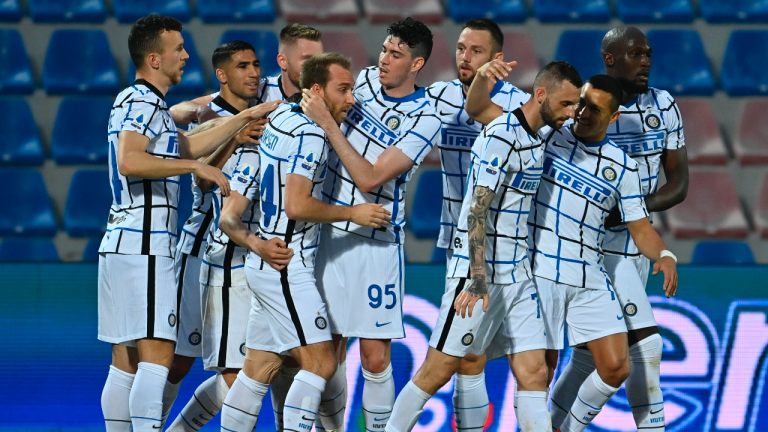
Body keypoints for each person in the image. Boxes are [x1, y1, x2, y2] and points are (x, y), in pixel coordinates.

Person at [98, 15, 279, 432]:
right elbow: (130, 159)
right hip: (145, 244)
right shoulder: (142, 101)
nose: (185, 55)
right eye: (177, 48)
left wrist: (239, 122)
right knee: (157, 359)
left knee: (125, 360)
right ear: (153, 58)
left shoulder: (145, 104)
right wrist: (199, 168)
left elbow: (187, 144)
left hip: (124, 242)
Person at [383, 61, 582, 432]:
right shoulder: (499, 137)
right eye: (567, 104)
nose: (572, 114)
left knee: (535, 372)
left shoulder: (537, 138)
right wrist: (477, 277)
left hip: (519, 275)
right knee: (437, 371)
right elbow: (476, 211)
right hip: (479, 274)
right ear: (541, 95)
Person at [216, 52, 391, 432]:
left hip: (265, 259)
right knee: (322, 363)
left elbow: (231, 212)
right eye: (342, 89)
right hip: (287, 265)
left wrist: (254, 241)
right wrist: (353, 213)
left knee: (259, 367)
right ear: (315, 90)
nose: (351, 98)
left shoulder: (277, 117)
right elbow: (296, 204)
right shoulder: (312, 133)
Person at [299, 17, 442, 431]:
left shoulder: (426, 118)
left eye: (396, 55)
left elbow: (371, 177)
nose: (383, 60)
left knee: (375, 357)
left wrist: (328, 123)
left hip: (376, 241)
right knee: (328, 351)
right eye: (383, 49)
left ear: (416, 65)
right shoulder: (358, 83)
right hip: (327, 233)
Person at [548, 26, 688, 432]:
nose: (645, 61)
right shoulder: (586, 104)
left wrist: (632, 212)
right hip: (594, 248)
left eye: (648, 54)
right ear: (610, 58)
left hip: (636, 243)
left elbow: (678, 185)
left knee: (590, 359)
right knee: (646, 347)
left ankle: (545, 425)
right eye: (635, 54)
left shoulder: (665, 106)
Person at [162, 41, 275, 432]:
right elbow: (197, 172)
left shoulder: (266, 110)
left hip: (238, 259)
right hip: (199, 250)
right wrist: (234, 138)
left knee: (239, 368)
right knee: (177, 360)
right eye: (243, 66)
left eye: (257, 65)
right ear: (222, 75)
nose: (254, 73)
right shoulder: (209, 116)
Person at [424, 17, 530, 428]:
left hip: (510, 247)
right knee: (468, 354)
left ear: (498, 60)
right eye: (462, 48)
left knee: (531, 359)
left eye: (477, 51)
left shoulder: (519, 106)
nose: (465, 58)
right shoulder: (439, 97)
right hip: (459, 244)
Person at [169, 23, 323, 124]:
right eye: (307, 59)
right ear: (282, 61)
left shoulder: (330, 94)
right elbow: (176, 111)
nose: (316, 66)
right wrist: (200, 110)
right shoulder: (259, 89)